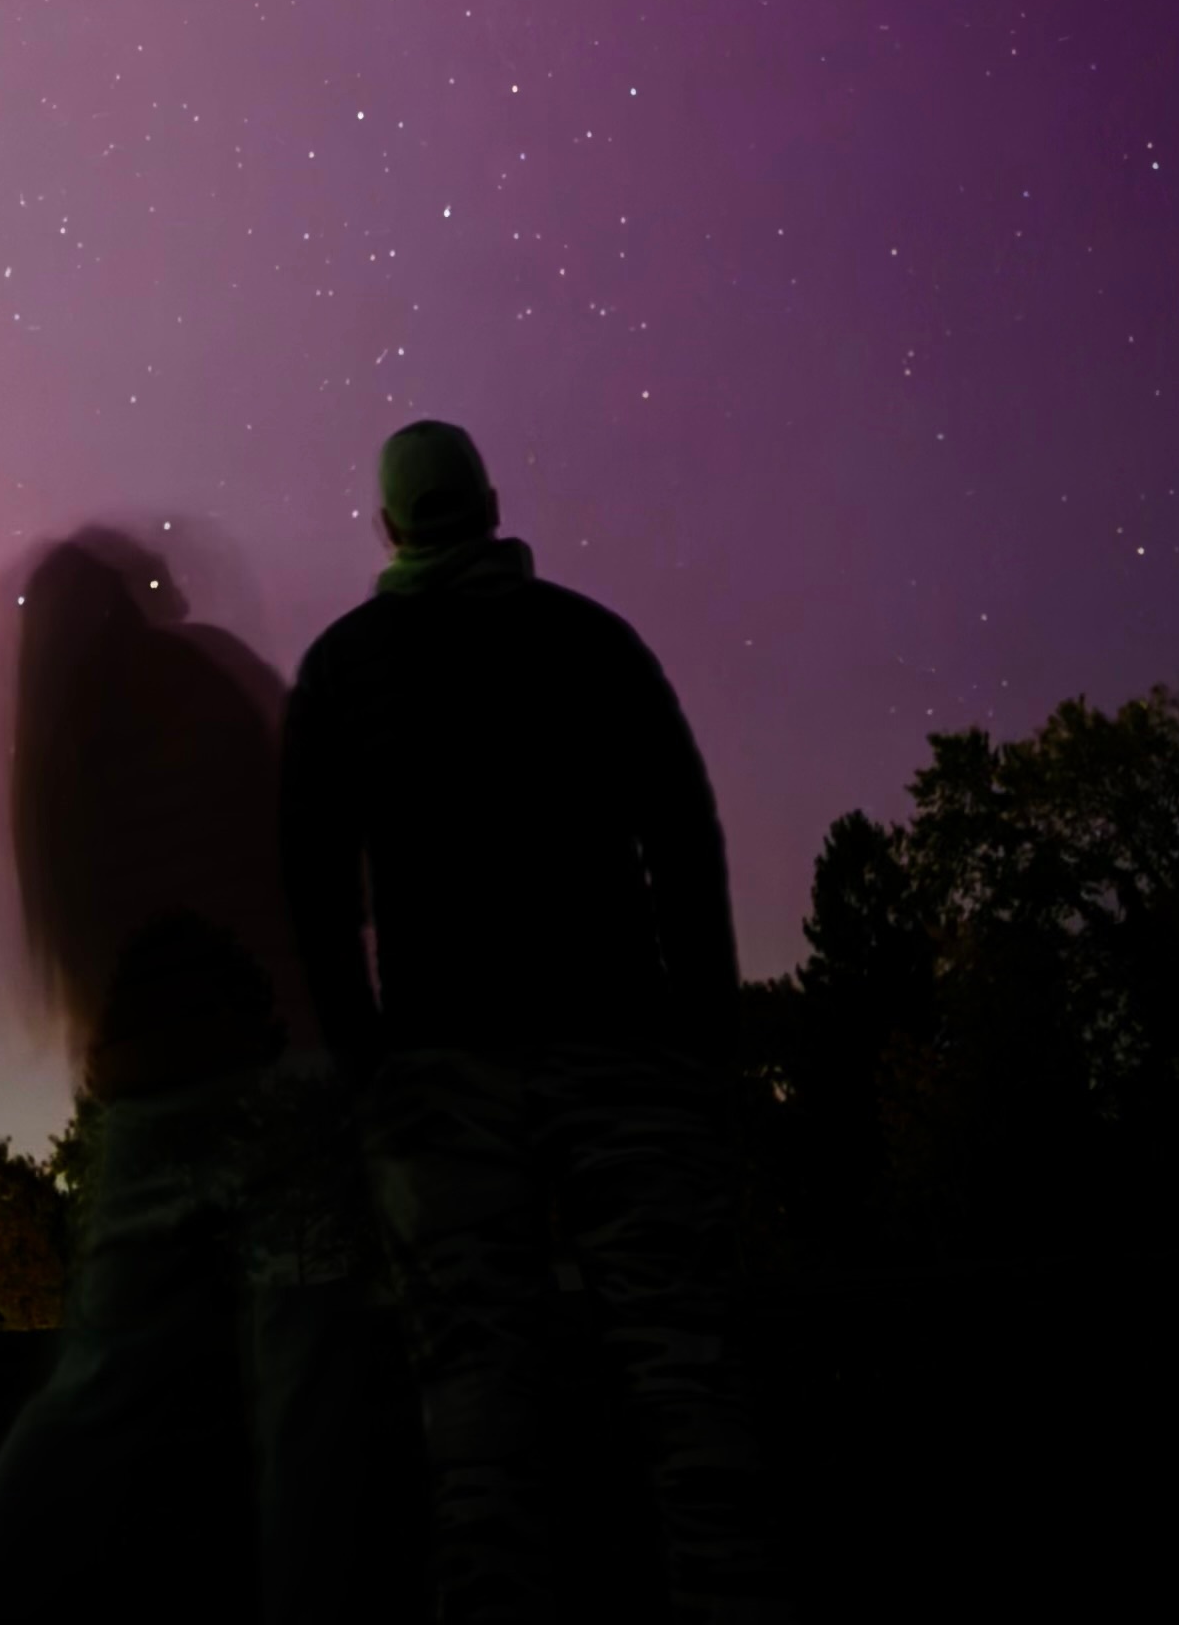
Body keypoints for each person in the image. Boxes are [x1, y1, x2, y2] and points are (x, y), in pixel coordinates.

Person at [280, 421, 787, 1625]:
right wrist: (703, 1043)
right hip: (621, 1047)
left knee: (478, 1427)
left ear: (388, 528)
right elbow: (682, 842)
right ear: (494, 504)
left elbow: (313, 887)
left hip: (443, 1072)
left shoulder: (347, 667)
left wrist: (371, 1066)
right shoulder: (593, 640)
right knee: (688, 1399)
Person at [0, 530, 418, 1625]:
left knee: (94, 1389)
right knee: (308, 1386)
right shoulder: (203, 676)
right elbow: (326, 837)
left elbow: (70, 957)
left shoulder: (48, 753)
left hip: (150, 1092)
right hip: (283, 1072)